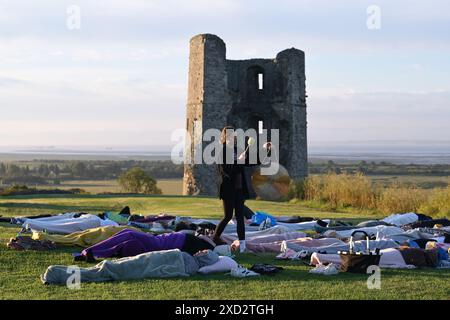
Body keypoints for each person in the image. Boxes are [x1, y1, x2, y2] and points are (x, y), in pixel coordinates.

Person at [212, 126, 271, 252]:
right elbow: (226, 171)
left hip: (239, 188)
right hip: (228, 189)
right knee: (227, 216)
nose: (233, 137)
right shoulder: (221, 151)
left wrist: (265, 150)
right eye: (230, 135)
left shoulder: (237, 150)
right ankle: (215, 237)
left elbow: (251, 160)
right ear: (225, 137)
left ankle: (243, 246)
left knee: (240, 217)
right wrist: (238, 161)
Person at [74, 229, 215, 262]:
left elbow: (207, 242)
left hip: (154, 244)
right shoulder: (193, 240)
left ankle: (89, 252)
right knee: (125, 242)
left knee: (126, 233)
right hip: (154, 241)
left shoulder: (196, 244)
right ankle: (92, 253)